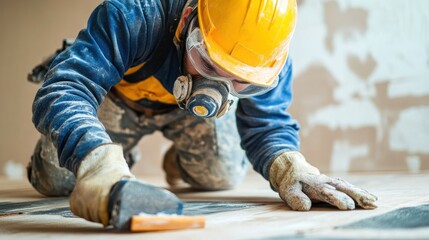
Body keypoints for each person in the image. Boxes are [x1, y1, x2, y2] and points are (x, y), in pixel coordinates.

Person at [28, 0, 378, 227]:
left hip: (186, 114)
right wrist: (95, 161)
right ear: (185, 21)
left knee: (220, 176)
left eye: (241, 82)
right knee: (56, 181)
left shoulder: (265, 60)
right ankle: (114, 153)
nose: (220, 87)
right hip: (116, 98)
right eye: (209, 63)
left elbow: (267, 125)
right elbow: (65, 88)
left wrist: (292, 168)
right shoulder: (135, 14)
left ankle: (178, 161)